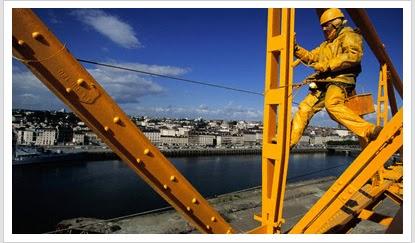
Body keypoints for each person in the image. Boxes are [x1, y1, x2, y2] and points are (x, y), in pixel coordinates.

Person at [289, 8, 382, 149]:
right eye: (323, 26)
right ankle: (289, 142)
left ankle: (368, 130)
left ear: (336, 23)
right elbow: (310, 57)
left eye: (327, 25)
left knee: (332, 103)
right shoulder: (325, 46)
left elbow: (353, 55)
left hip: (341, 79)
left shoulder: (349, 35)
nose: (324, 28)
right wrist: (295, 48)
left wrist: (327, 65)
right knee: (304, 108)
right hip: (324, 82)